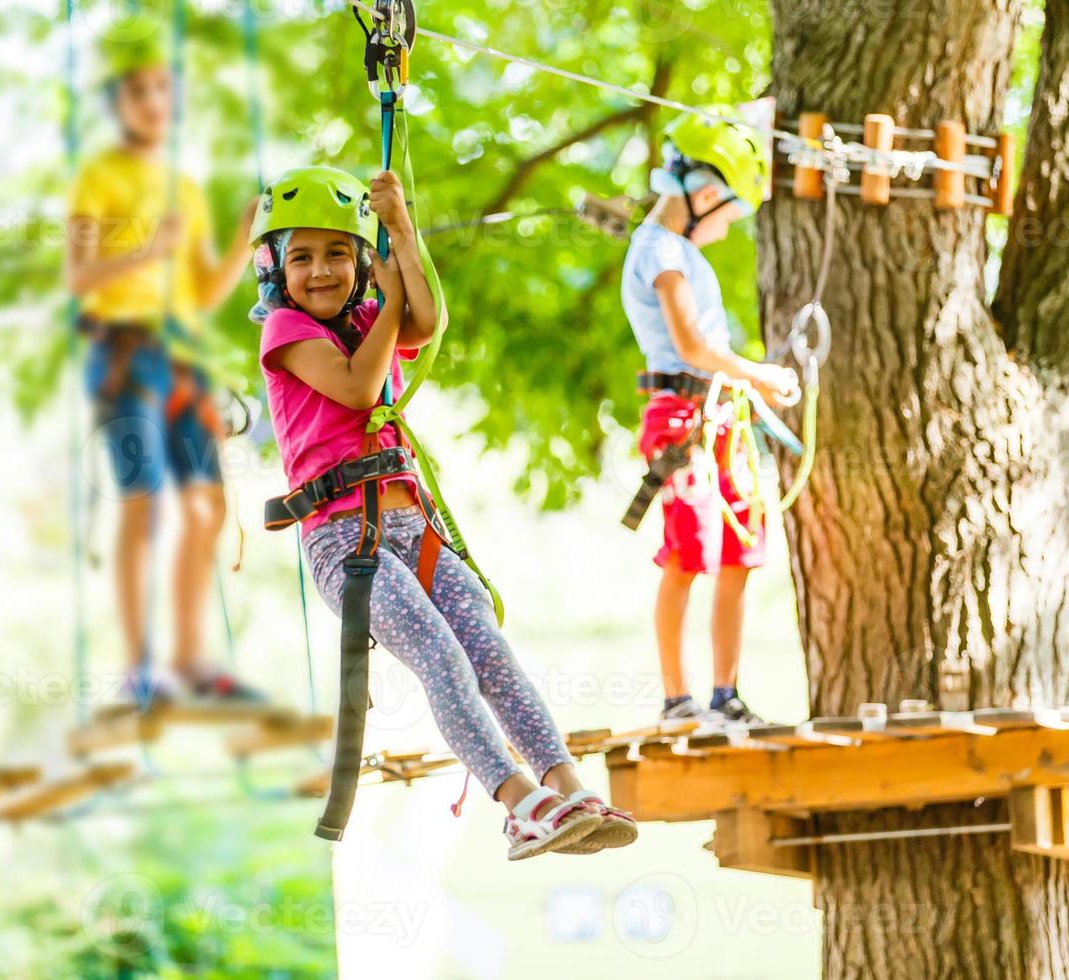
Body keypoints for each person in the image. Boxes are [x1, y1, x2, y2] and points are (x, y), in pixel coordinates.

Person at [252, 165, 636, 859]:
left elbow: (426, 320)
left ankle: (567, 785)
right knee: (441, 656)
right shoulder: (283, 331)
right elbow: (362, 388)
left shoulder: (374, 314)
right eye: (300, 257)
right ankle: (519, 804)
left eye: (338, 252)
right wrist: (389, 287)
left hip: (413, 525)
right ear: (275, 270)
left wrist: (400, 228)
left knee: (489, 649)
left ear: (362, 259)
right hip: (347, 542)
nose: (320, 270)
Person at [64, 23, 262, 704]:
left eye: (162, 90)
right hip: (124, 351)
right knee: (143, 506)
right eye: (138, 91)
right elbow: (79, 273)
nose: (152, 102)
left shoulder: (185, 186)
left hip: (183, 359)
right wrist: (147, 251)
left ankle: (189, 658)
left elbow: (203, 293)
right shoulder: (99, 176)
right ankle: (140, 664)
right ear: (119, 103)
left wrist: (240, 242)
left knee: (206, 508)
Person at [620, 111, 799, 725]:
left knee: (738, 552)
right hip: (681, 419)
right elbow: (692, 347)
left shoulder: (678, 250)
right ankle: (678, 700)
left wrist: (744, 386)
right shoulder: (660, 251)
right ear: (703, 195)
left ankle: (726, 696)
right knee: (689, 552)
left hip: (719, 417)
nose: (726, 229)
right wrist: (762, 374)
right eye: (728, 215)